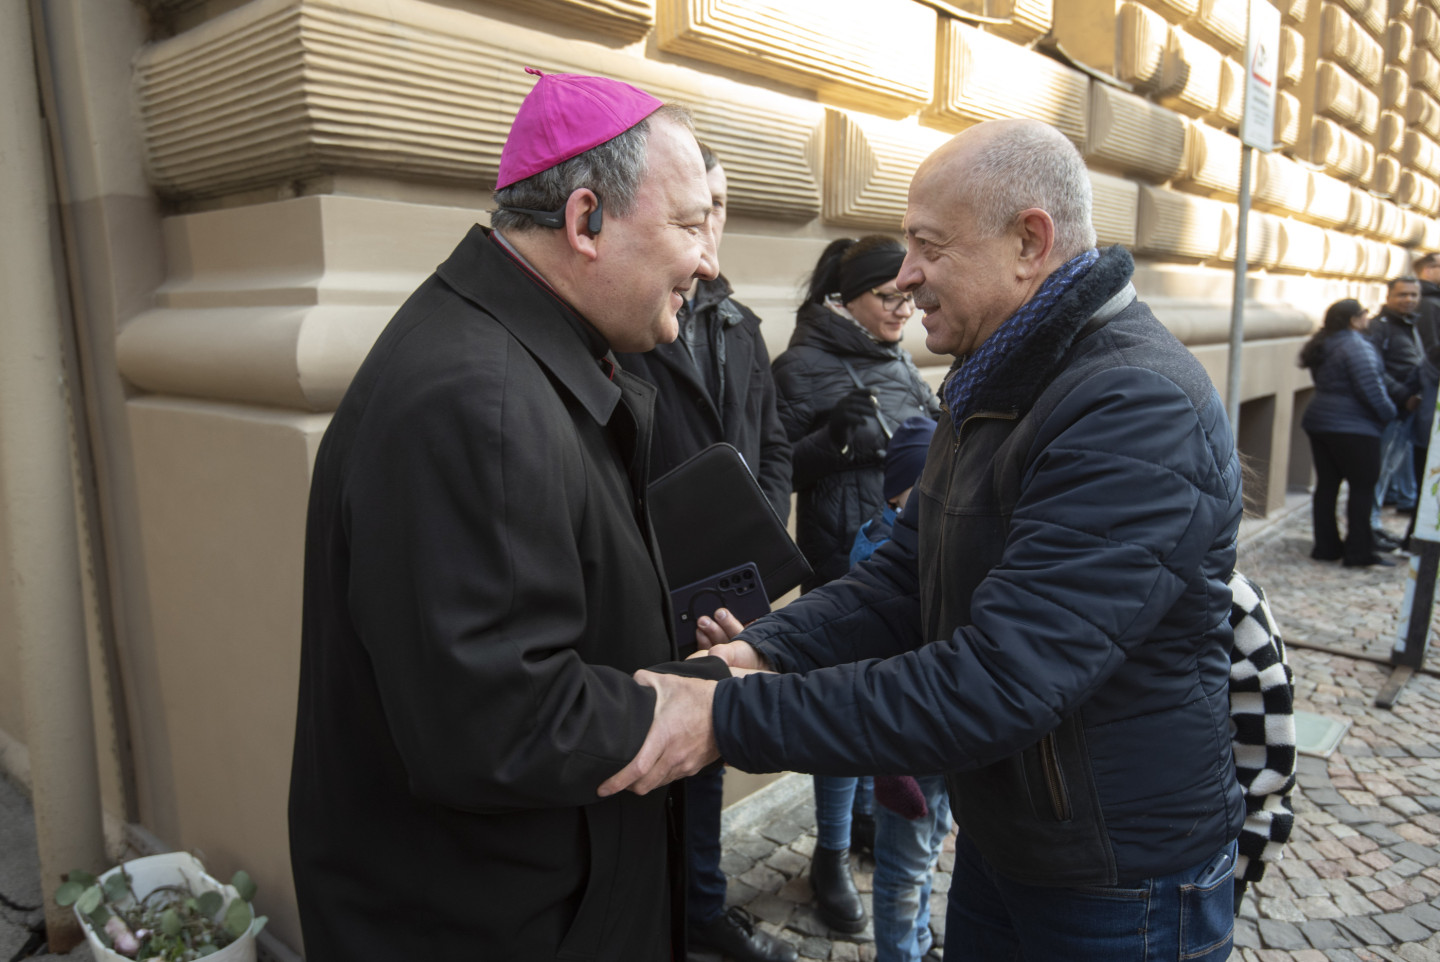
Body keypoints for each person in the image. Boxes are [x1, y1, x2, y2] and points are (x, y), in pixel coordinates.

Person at [601, 118, 1247, 962]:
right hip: (1012, 840)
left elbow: (999, 680)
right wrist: (761, 652)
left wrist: (727, 715)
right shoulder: (1006, 375)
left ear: (1030, 242)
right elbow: (905, 577)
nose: (906, 276)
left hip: (1118, 881)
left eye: (929, 247)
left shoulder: (1131, 405)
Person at [288, 70, 727, 961]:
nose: (707, 262)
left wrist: (666, 634)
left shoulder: (520, 355)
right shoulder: (474, 399)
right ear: (585, 222)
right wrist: (704, 706)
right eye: (689, 225)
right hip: (500, 924)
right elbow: (499, 722)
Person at [615, 143, 796, 962]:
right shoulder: (628, 318)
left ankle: (703, 908)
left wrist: (758, 542)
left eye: (719, 207)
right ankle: (660, 920)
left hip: (727, 588)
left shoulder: (738, 323)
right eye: (696, 209)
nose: (709, 224)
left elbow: (774, 444)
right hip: (647, 586)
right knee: (647, 752)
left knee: (709, 746)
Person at [770, 235, 940, 932]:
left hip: (905, 562)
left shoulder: (899, 358)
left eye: (906, 295)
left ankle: (868, 820)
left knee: (888, 705)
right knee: (840, 717)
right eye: (886, 297)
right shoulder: (800, 365)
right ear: (847, 300)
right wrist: (831, 441)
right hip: (842, 565)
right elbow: (772, 471)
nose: (902, 308)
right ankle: (830, 856)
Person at [848, 416, 952, 962]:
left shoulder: (930, 536)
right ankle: (900, 952)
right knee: (903, 868)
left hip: (941, 740)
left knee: (928, 850)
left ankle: (920, 941)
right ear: (900, 492)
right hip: (909, 750)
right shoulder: (881, 554)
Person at [1299, 299, 1398, 567]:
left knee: (1327, 486)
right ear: (1354, 319)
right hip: (1354, 427)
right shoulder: (1356, 346)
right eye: (1364, 314)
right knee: (1362, 488)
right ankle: (1358, 552)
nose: (1367, 318)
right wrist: (1390, 413)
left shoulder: (1324, 342)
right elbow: (1371, 388)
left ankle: (1326, 547)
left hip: (1321, 421)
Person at [1367, 277, 1425, 538]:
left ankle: (1373, 522)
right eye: (1402, 294)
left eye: (1413, 295)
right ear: (1388, 296)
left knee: (1390, 468)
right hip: (1390, 409)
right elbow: (1374, 369)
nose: (1409, 299)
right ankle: (1370, 525)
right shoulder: (1380, 326)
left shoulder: (1410, 323)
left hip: (1407, 409)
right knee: (1379, 469)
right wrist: (1403, 396)